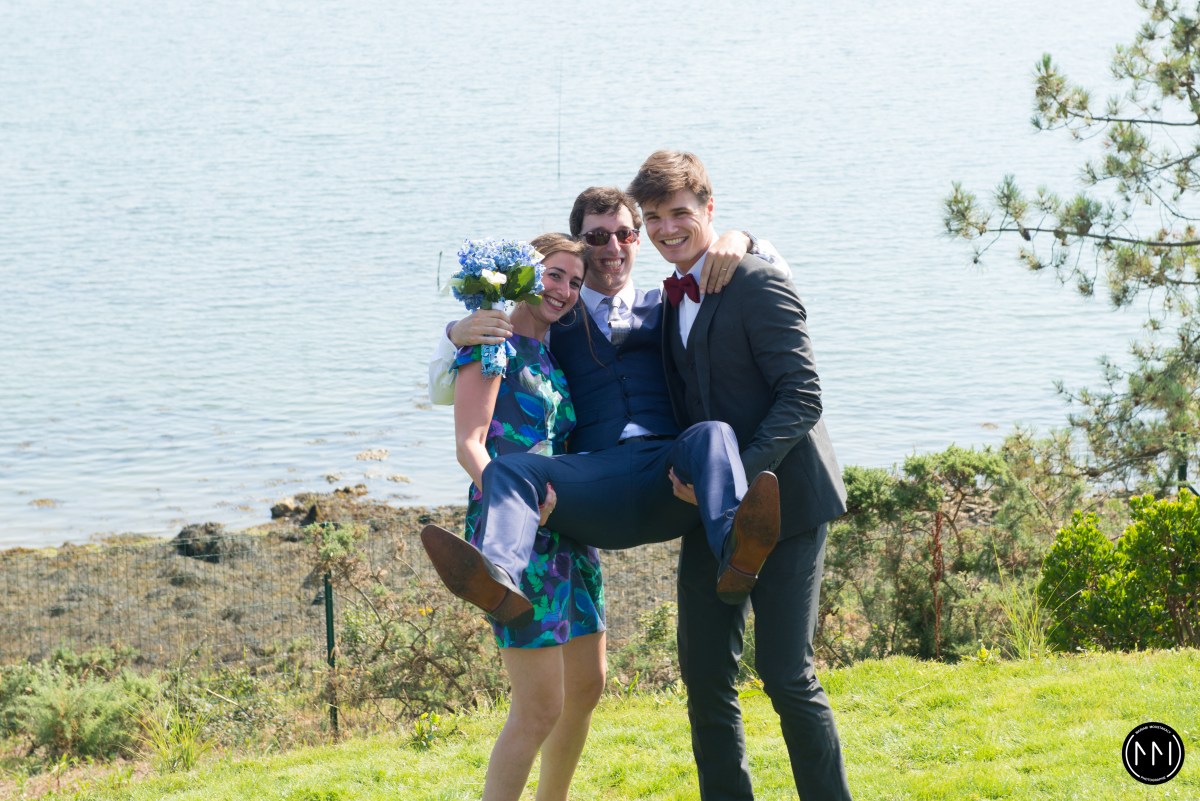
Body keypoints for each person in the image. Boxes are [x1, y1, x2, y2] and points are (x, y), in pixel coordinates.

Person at [423, 188, 782, 626]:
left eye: (624, 234)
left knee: (714, 433)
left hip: (667, 478)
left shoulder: (672, 305)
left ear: (637, 240)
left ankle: (736, 552)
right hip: (594, 482)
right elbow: (453, 385)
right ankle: (498, 579)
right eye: (596, 237)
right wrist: (455, 334)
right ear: (580, 244)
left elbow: (766, 289)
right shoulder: (555, 317)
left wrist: (743, 239)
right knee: (511, 468)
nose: (612, 247)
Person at [628, 149, 852, 801]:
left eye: (679, 212)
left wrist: (734, 478)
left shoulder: (756, 279)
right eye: (652, 218)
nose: (666, 229)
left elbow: (802, 397)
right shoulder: (668, 300)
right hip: (710, 514)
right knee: (703, 676)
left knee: (786, 675)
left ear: (708, 208)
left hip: (790, 505)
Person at [428, 232, 602, 801]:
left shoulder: (554, 351)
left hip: (568, 527)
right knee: (539, 707)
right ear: (526, 275)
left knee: (587, 686)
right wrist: (516, 507)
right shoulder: (490, 341)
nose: (565, 290)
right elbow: (470, 445)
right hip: (516, 536)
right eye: (554, 275)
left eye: (575, 282)